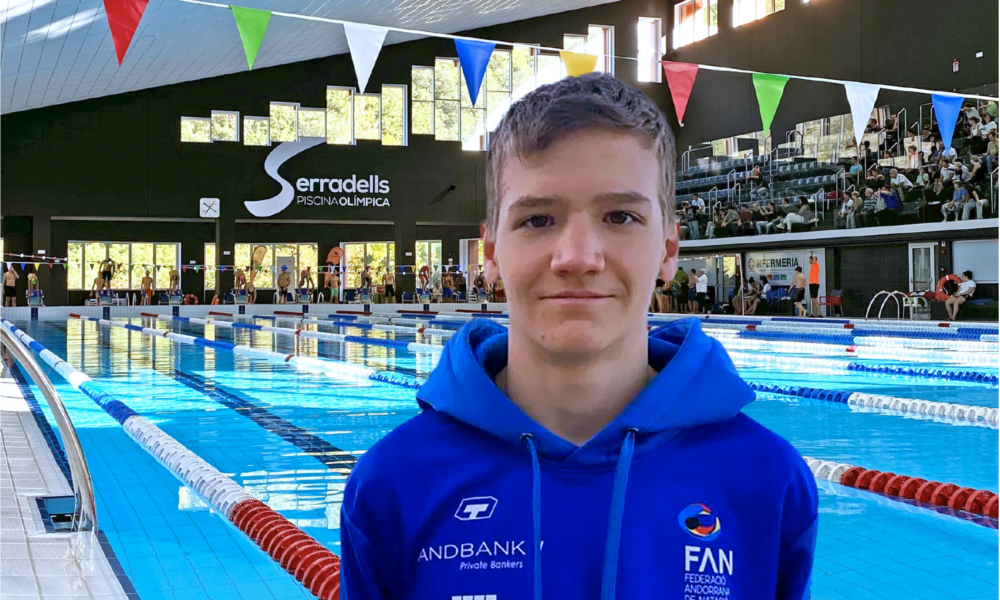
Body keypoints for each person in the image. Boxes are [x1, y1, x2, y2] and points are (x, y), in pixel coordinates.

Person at [342, 74, 817, 600]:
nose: (577, 257)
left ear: (667, 247)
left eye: (620, 216)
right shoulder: (395, 483)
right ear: (492, 251)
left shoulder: (765, 480)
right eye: (538, 219)